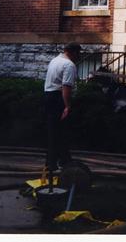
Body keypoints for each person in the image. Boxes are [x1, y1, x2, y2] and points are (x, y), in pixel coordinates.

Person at [44, 42, 82, 171]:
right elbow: (66, 88)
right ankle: (63, 162)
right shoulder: (69, 65)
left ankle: (52, 162)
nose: (79, 57)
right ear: (74, 52)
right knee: (62, 132)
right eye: (78, 53)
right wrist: (67, 106)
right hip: (58, 98)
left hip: (48, 96)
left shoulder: (55, 61)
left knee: (53, 131)